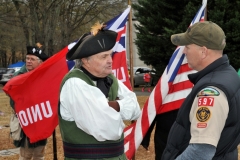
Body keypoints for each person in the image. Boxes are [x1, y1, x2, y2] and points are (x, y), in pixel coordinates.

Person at [58, 22, 141, 160]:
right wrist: (117, 112)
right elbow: (108, 129)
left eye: (110, 55)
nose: (110, 61)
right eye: (103, 57)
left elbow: (136, 110)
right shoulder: (75, 84)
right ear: (85, 61)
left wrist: (115, 106)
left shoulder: (111, 79)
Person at [161, 21, 240, 160]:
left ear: (203, 52)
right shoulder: (228, 74)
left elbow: (201, 152)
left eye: (187, 47)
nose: (184, 51)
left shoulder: (212, 90)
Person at [10, 44, 49, 160]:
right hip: (25, 121)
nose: (29, 61)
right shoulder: (18, 77)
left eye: (32, 59)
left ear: (40, 62)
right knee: (25, 156)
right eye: (27, 58)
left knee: (39, 154)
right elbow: (14, 101)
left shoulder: (45, 76)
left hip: (40, 121)